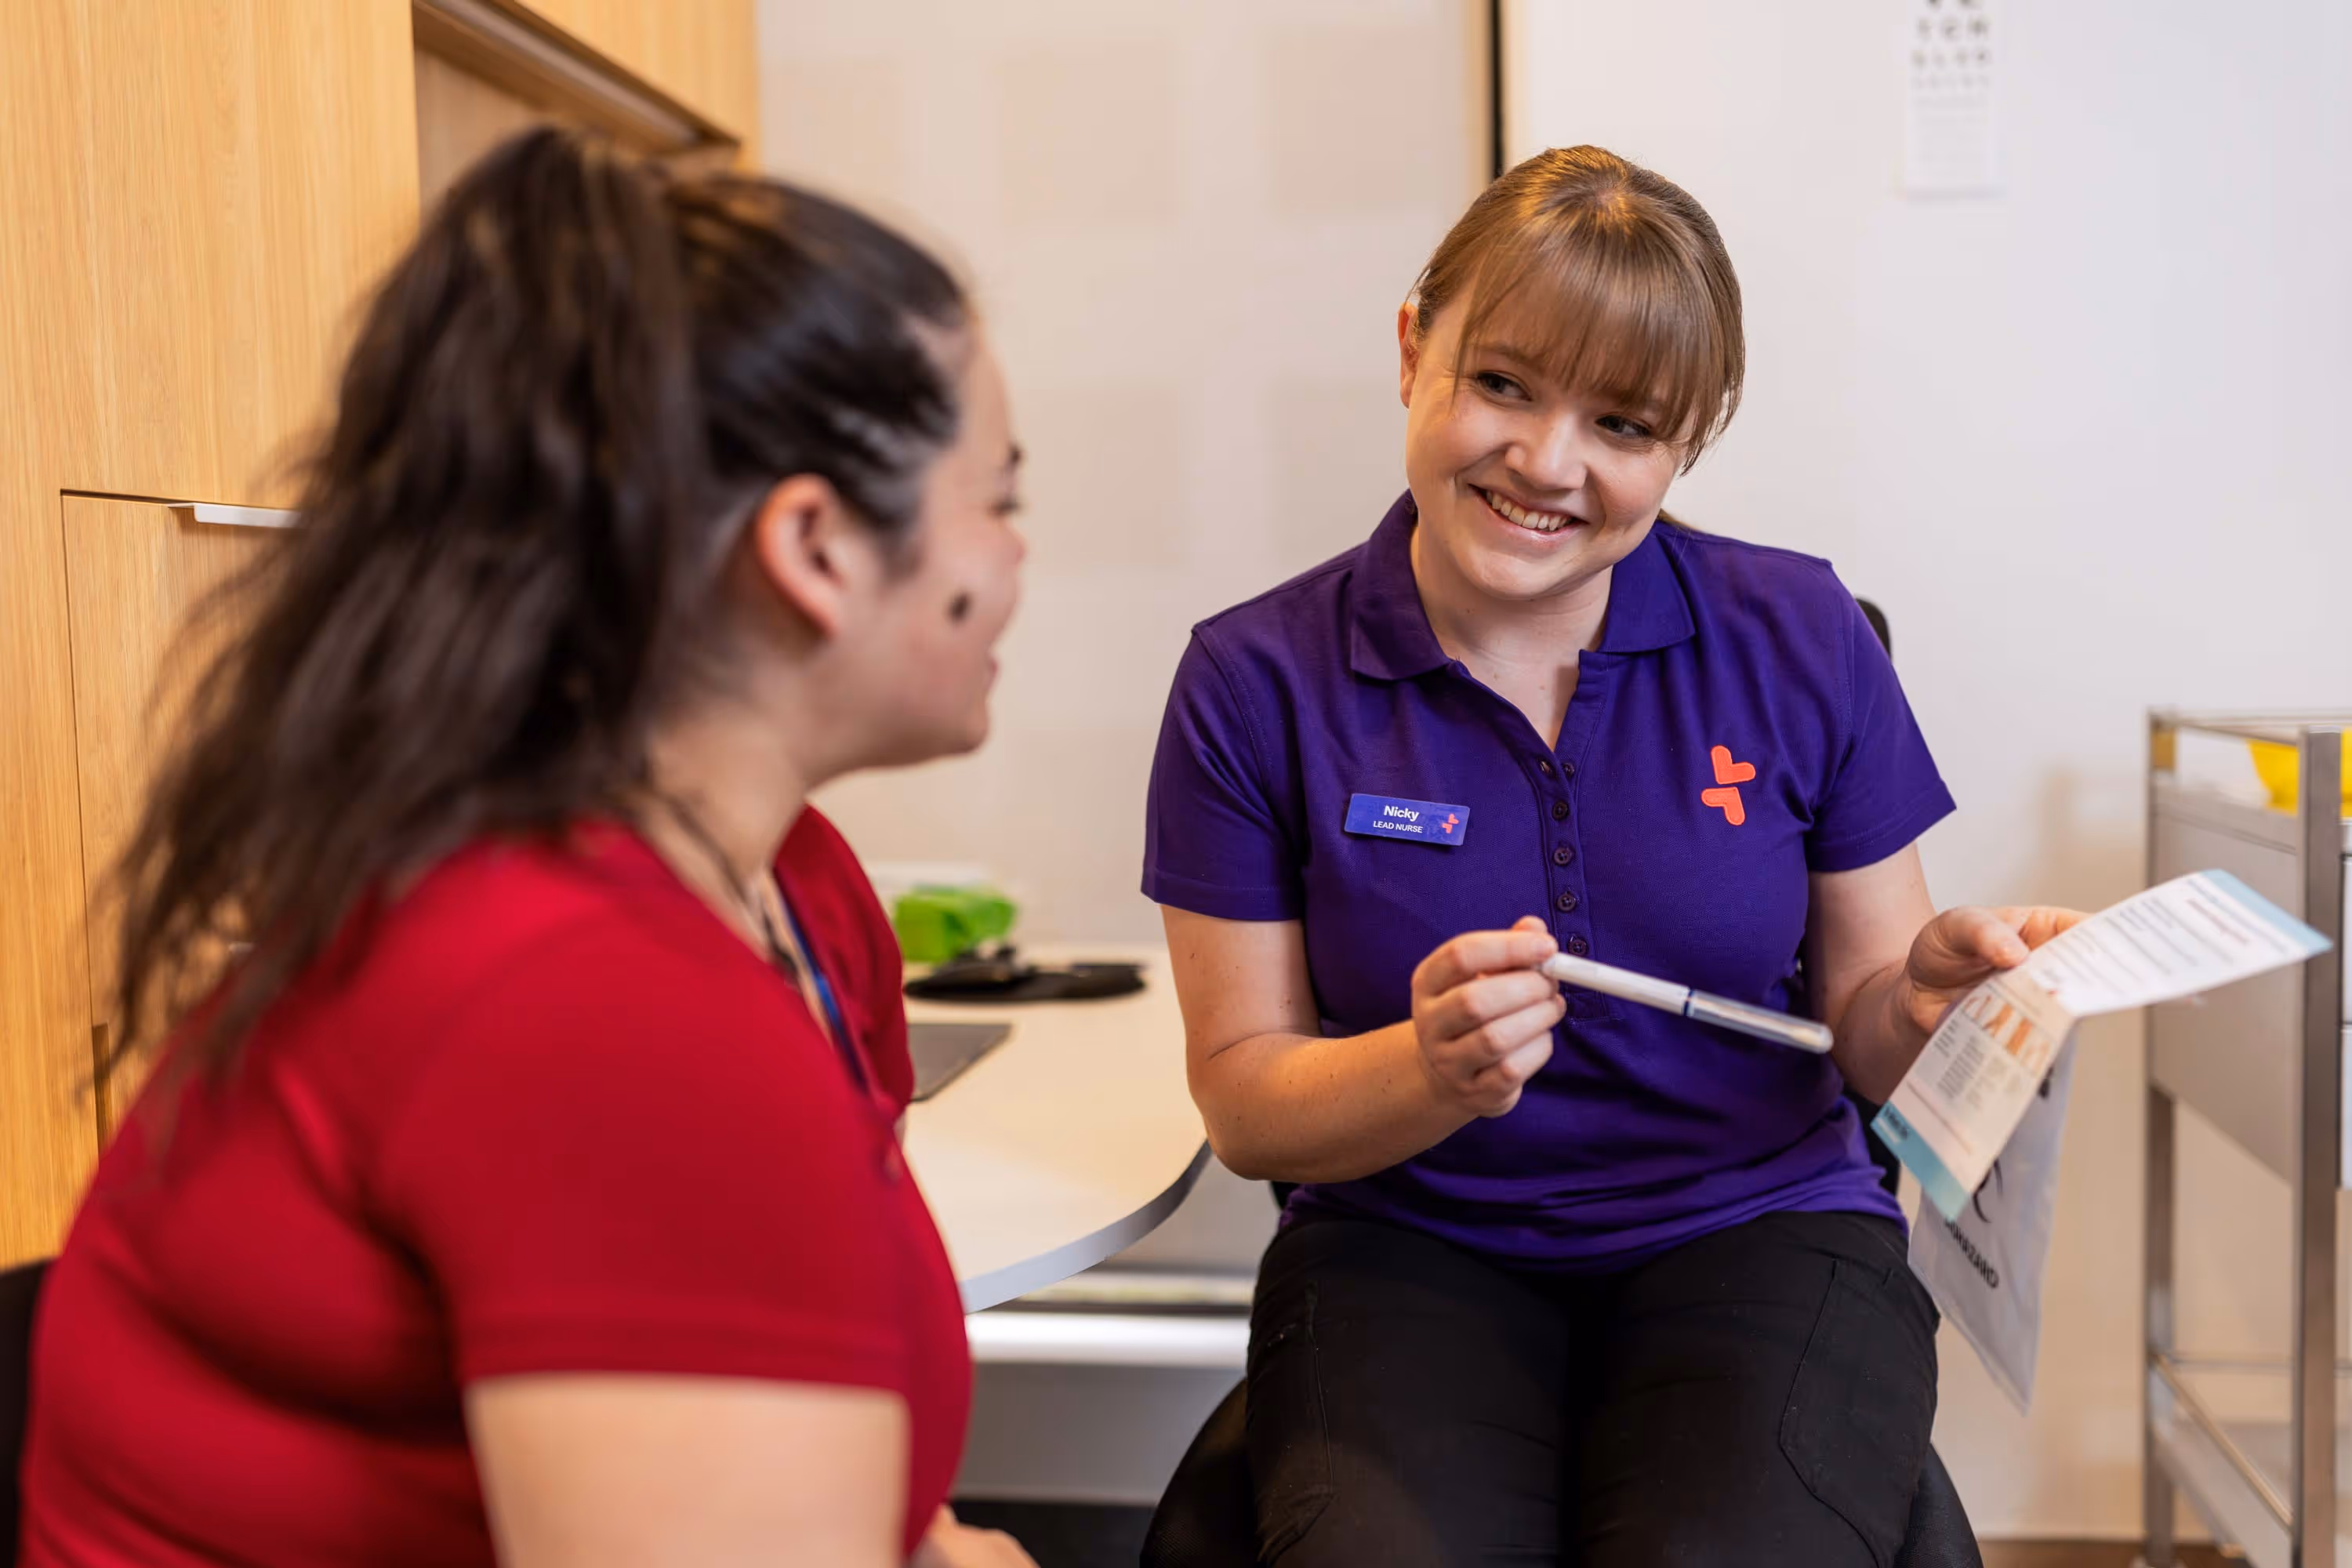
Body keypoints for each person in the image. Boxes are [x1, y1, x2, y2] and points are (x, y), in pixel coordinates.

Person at [22, 129, 1034, 1568]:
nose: (1014, 556)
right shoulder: (608, 1011)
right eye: (997, 500)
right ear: (815, 551)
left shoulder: (790, 892)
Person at [1142, 145, 2082, 1566]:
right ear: (1411, 352)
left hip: (1764, 1230)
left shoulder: (1800, 636)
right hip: (1410, 1246)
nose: (1546, 463)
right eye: (1502, 384)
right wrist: (1424, 1071)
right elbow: (1245, 1103)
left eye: (1623, 424)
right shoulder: (1253, 681)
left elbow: (1868, 1028)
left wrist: (1932, 1006)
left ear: (1685, 444)